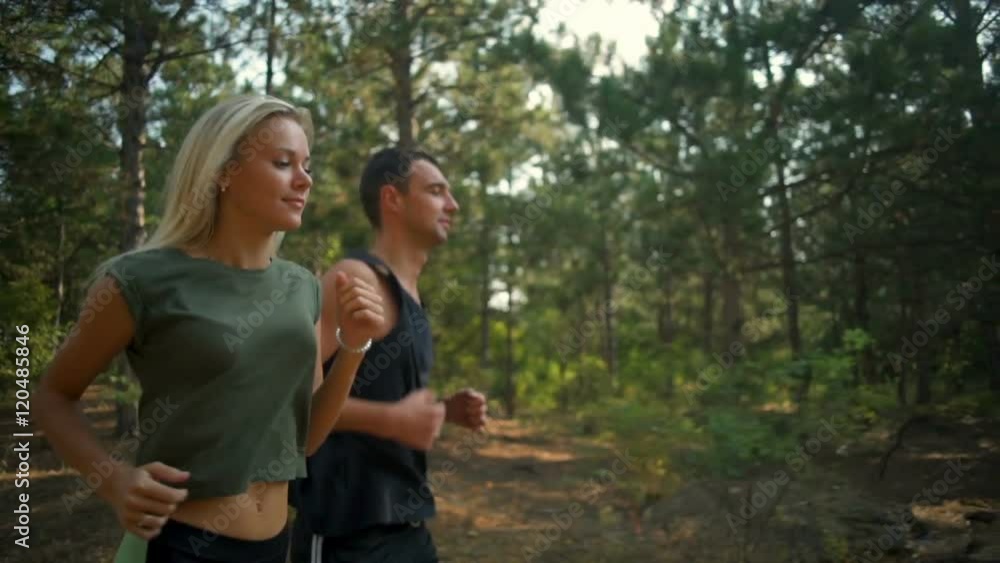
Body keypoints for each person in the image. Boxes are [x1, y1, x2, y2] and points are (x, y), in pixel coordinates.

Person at [35, 95, 384, 563]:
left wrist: (354, 347)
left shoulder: (301, 287)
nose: (305, 179)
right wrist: (114, 481)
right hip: (180, 545)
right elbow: (52, 396)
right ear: (223, 171)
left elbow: (303, 441)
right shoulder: (141, 280)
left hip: (275, 547)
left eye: (307, 166)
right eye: (283, 163)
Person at [289, 147, 488, 563]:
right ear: (392, 199)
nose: (452, 204)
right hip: (346, 536)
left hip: (407, 528)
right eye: (436, 191)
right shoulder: (355, 279)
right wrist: (393, 420)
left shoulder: (409, 293)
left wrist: (444, 411)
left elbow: (372, 392)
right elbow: (290, 401)